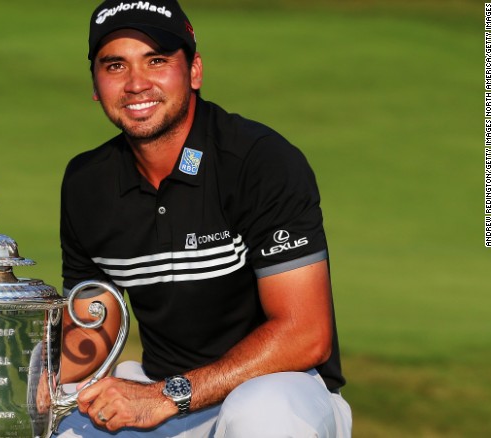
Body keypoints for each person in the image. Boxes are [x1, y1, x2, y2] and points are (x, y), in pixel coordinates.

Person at [56, 0, 352, 436]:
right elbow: (94, 323)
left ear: (194, 71)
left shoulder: (258, 160)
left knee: (260, 413)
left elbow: (305, 333)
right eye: (115, 66)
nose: (136, 83)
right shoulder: (86, 182)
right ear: (96, 85)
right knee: (67, 427)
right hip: (165, 395)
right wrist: (44, 385)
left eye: (156, 61)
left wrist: (165, 396)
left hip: (283, 390)